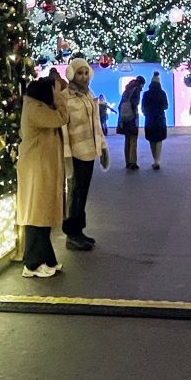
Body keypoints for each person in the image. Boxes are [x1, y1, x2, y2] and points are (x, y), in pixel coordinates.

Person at [16, 69, 68, 278]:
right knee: (37, 216)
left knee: (42, 215)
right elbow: (62, 118)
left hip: (42, 168)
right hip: (36, 169)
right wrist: (59, 97)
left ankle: (46, 259)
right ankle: (32, 263)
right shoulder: (36, 109)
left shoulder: (37, 107)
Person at [59, 57, 109, 251]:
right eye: (79, 73)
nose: (83, 76)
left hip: (89, 151)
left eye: (85, 72)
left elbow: (96, 125)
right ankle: (71, 234)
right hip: (76, 152)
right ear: (71, 74)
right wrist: (67, 156)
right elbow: (63, 128)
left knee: (82, 193)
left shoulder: (89, 95)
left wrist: (103, 148)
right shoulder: (65, 97)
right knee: (75, 193)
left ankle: (79, 231)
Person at [141, 72, 170, 169]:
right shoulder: (162, 93)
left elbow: (143, 107)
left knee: (151, 140)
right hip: (160, 119)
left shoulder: (146, 94)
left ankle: (154, 159)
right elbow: (166, 106)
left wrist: (147, 113)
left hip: (149, 119)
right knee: (159, 140)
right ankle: (157, 160)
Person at [117, 77, 143, 169]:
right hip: (131, 118)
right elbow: (134, 104)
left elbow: (120, 105)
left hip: (124, 118)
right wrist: (135, 117)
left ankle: (127, 162)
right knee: (133, 140)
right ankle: (133, 162)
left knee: (127, 140)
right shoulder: (137, 90)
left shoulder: (126, 90)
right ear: (141, 83)